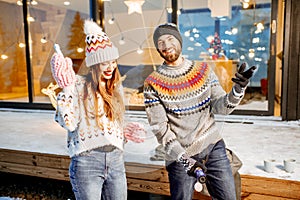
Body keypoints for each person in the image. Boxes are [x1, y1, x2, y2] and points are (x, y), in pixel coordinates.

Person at [143, 23, 256, 200]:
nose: (166, 45)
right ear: (157, 47)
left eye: (170, 39)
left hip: (212, 146)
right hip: (180, 155)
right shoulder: (152, 83)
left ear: (179, 41)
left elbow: (221, 107)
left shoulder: (203, 70)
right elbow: (160, 129)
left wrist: (238, 90)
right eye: (160, 42)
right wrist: (184, 159)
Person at [50, 19, 145, 200]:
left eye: (113, 62)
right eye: (104, 63)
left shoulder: (115, 88)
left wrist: (124, 131)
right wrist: (67, 88)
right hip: (87, 162)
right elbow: (69, 123)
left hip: (116, 160)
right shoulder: (78, 85)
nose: (110, 67)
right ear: (94, 64)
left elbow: (108, 123)